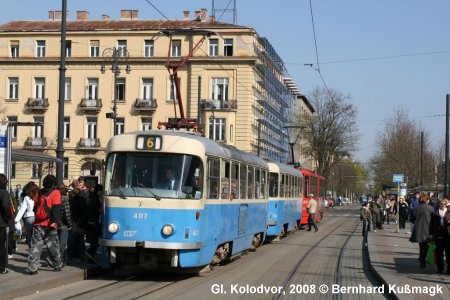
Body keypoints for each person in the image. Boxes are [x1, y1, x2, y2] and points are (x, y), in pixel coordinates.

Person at [27, 175, 63, 275]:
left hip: (38, 223)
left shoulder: (40, 192)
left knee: (35, 246)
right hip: (50, 223)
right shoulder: (56, 192)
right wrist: (56, 221)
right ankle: (57, 265)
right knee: (53, 246)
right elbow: (56, 208)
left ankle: (32, 268)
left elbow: (35, 208)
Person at [412, 194, 434, 269]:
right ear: (427, 200)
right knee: (426, 246)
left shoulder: (416, 208)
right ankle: (422, 259)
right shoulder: (431, 208)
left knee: (421, 246)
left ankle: (421, 258)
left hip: (418, 229)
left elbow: (412, 219)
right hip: (427, 230)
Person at [14, 183, 38, 249]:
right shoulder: (39, 197)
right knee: (36, 235)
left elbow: (22, 209)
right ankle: (35, 250)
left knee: (29, 235)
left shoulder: (27, 198)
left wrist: (16, 219)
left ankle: (31, 250)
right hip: (37, 217)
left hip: (29, 217)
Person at [430, 200, 450, 273]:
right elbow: (431, 224)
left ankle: (449, 269)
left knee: (448, 253)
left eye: (445, 203)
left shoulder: (449, 212)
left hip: (448, 235)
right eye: (442, 203)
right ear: (439, 204)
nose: (443, 204)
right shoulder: (434, 213)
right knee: (439, 253)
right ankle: (440, 268)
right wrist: (431, 234)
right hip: (438, 235)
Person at [57, 184, 73, 267]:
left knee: (56, 242)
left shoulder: (55, 198)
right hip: (63, 224)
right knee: (63, 243)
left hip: (55, 223)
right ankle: (60, 260)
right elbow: (67, 214)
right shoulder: (65, 200)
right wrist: (70, 224)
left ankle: (60, 259)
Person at [0, 174, 12, 274]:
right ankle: (1, 268)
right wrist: (9, 217)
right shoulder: (4, 193)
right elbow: (5, 206)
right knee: (1, 247)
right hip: (1, 223)